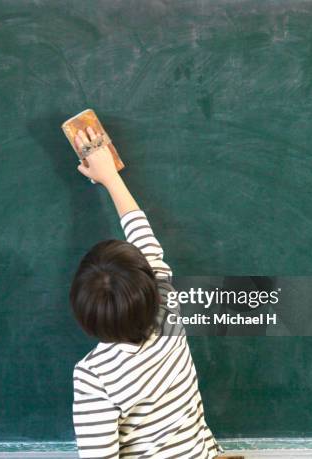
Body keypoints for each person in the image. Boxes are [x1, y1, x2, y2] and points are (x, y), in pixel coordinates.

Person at [70, 126, 222, 458]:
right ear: (150, 286)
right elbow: (144, 238)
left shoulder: (94, 377)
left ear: (84, 317)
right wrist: (110, 176)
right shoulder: (168, 309)